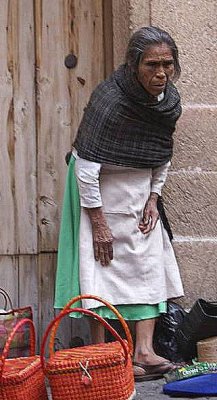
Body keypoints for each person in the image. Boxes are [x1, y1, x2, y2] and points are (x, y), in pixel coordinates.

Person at [54, 26, 184, 381]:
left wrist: (154, 198)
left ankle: (144, 350)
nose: (160, 74)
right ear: (133, 65)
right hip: (99, 185)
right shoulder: (110, 101)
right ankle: (106, 353)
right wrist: (98, 221)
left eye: (167, 65)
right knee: (100, 265)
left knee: (147, 261)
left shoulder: (168, 102)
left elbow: (163, 155)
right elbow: (86, 164)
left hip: (140, 189)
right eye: (152, 65)